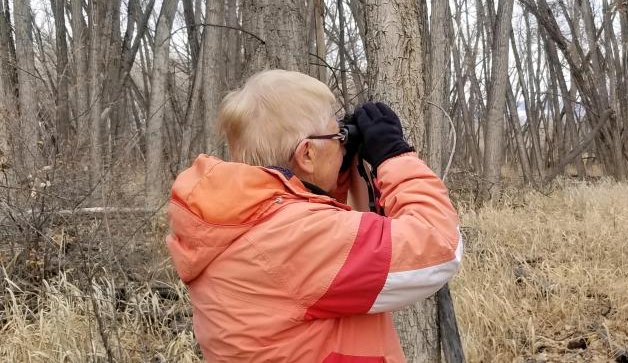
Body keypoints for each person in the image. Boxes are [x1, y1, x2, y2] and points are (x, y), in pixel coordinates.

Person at [166, 69, 462, 362]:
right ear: (307, 154)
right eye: (339, 135)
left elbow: (321, 240)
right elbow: (439, 246)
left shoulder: (239, 222)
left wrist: (339, 175)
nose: (343, 145)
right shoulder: (294, 237)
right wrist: (393, 155)